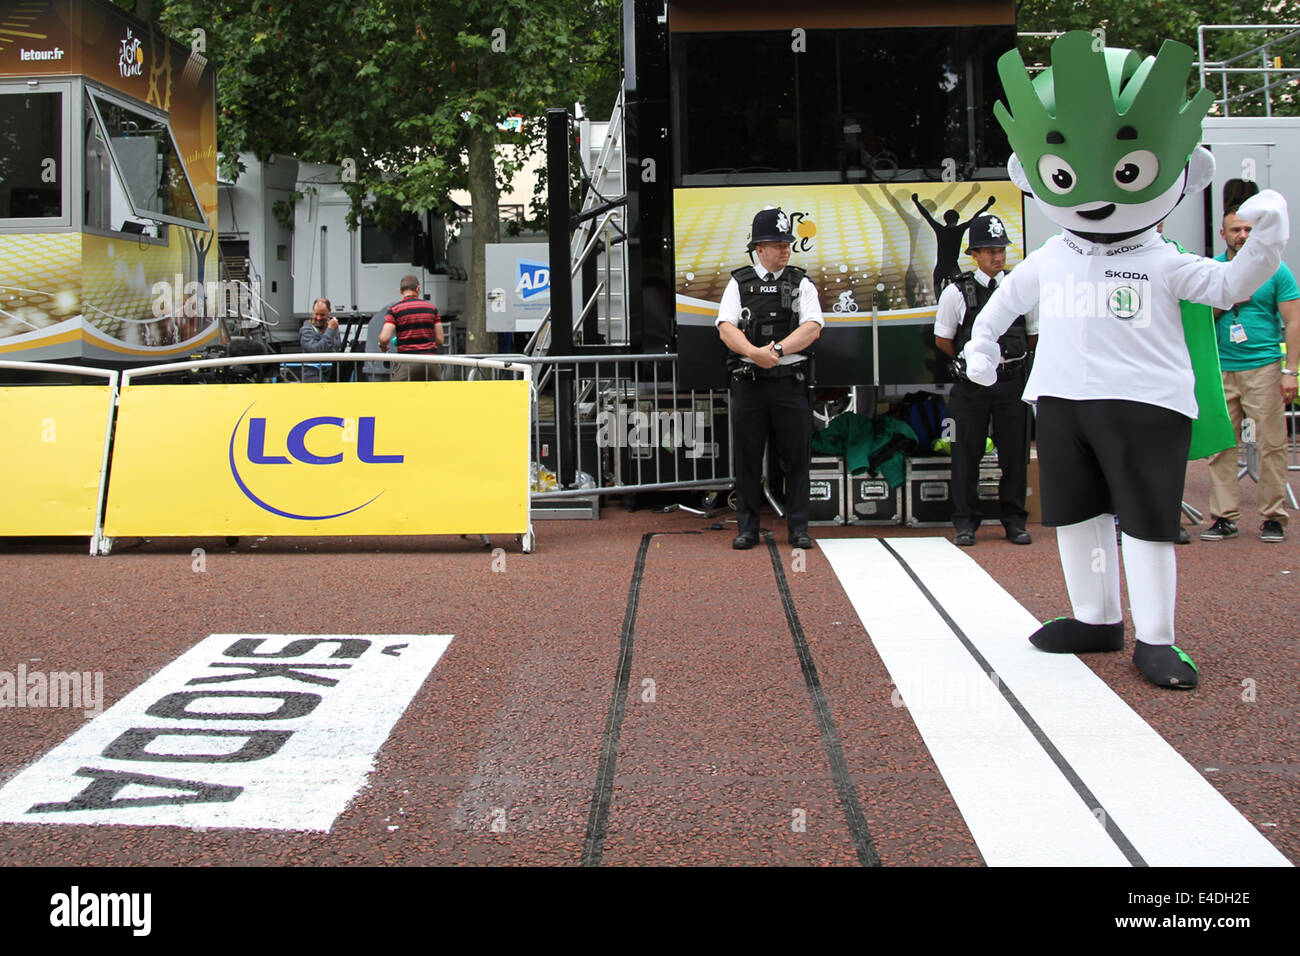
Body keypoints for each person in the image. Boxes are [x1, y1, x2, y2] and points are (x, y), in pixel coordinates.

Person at [964, 31, 1288, 689]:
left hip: (1147, 404)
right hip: (1060, 402)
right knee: (1078, 516)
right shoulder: (1052, 258)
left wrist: (1267, 242)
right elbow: (1004, 305)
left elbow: (1228, 286)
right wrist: (979, 344)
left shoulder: (1164, 260)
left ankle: (1158, 638)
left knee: (1146, 522)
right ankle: (1096, 617)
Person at [716, 207, 824, 550]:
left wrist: (774, 351)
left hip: (788, 382)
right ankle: (746, 528)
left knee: (796, 460)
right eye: (777, 244)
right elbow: (725, 328)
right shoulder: (738, 283)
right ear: (758, 249)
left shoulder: (801, 282)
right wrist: (753, 352)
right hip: (749, 383)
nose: (785, 249)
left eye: (787, 243)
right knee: (747, 459)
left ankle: (799, 528)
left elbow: (812, 328)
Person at [933, 213, 1037, 546]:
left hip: (1011, 382)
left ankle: (1014, 520)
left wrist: (1009, 361)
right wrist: (969, 364)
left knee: (1015, 455)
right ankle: (965, 522)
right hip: (971, 386)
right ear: (974, 254)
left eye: (1001, 249)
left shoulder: (1021, 288)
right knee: (965, 453)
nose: (997, 256)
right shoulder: (956, 291)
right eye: (989, 250)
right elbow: (944, 339)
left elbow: (1033, 334)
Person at [1201, 204, 1300, 543]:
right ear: (1223, 234)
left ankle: (1273, 516)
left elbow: (1294, 320)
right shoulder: (1211, 269)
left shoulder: (1275, 269)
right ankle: (1224, 516)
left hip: (1264, 368)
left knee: (1272, 443)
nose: (1242, 236)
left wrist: (1291, 372)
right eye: (1235, 230)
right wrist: (1227, 299)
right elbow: (1199, 319)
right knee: (1222, 445)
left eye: (1247, 230)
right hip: (1221, 367)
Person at [912, 191, 996, 295]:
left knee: (936, 284)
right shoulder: (959, 230)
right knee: (961, 287)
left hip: (941, 265)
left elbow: (927, 215)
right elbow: (975, 217)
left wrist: (916, 201)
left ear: (945, 219)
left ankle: (939, 302)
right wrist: (988, 204)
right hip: (953, 266)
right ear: (957, 220)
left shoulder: (940, 229)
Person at [379, 274, 443, 380]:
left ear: (400, 291)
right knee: (435, 395)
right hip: (431, 363)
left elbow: (384, 337)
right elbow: (440, 339)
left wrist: (383, 347)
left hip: (407, 363)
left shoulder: (395, 309)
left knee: (399, 394)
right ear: (418, 289)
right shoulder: (432, 308)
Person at [298, 297, 343, 381]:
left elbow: (337, 348)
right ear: (312, 312)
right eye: (316, 314)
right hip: (313, 377)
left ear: (329, 312)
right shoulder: (306, 330)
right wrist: (330, 331)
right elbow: (317, 351)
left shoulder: (332, 326)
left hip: (332, 375)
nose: (318, 318)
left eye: (322, 315)